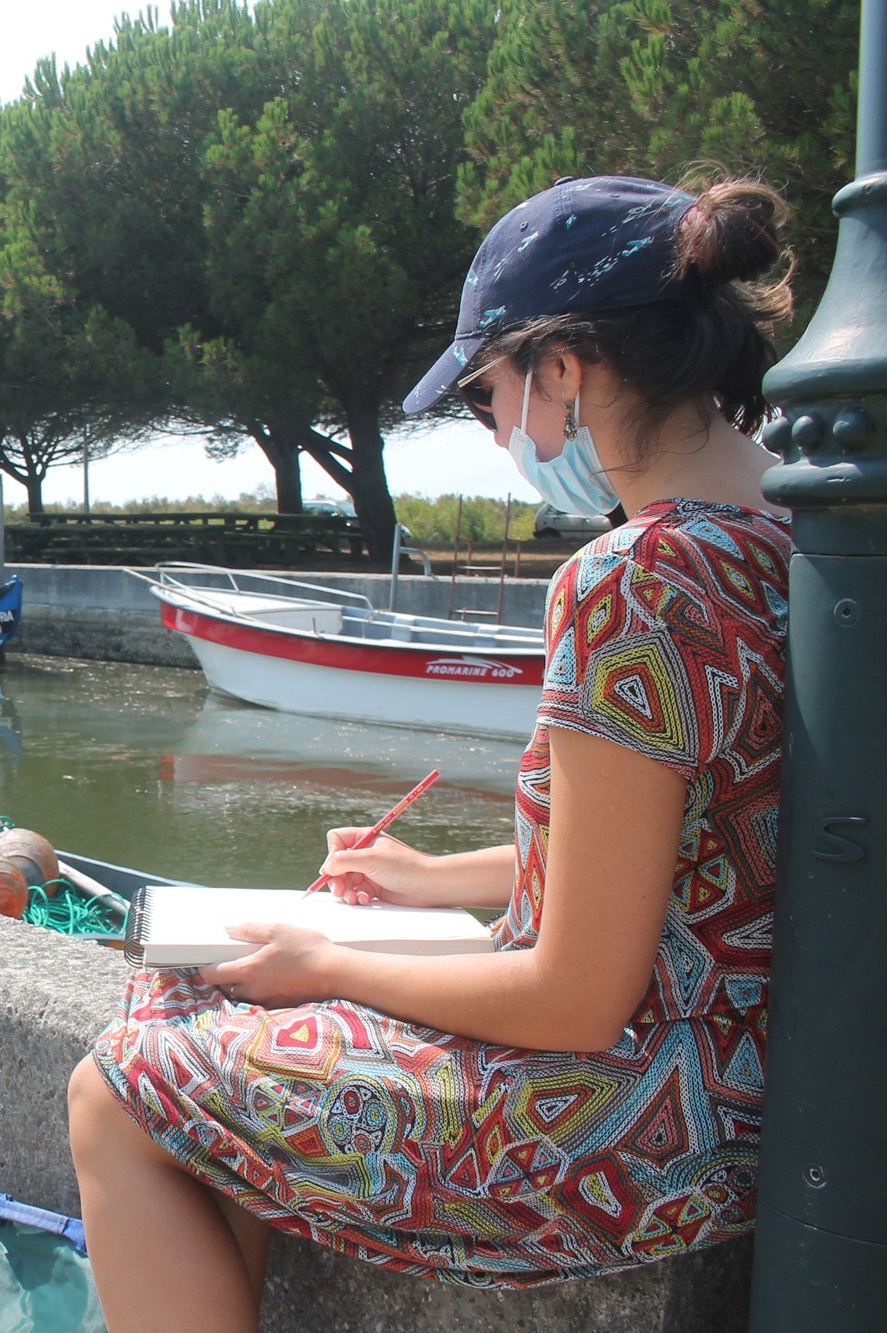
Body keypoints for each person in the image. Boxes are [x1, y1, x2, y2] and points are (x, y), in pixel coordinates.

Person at [69, 175, 794, 1329]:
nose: (496, 431)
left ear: (563, 369)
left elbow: (573, 997)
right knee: (180, 999)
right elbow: (686, 854)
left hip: (632, 1123)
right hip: (747, 1081)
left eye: (483, 394)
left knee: (116, 1084)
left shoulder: (635, 580)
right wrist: (427, 877)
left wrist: (328, 960)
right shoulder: (796, 535)